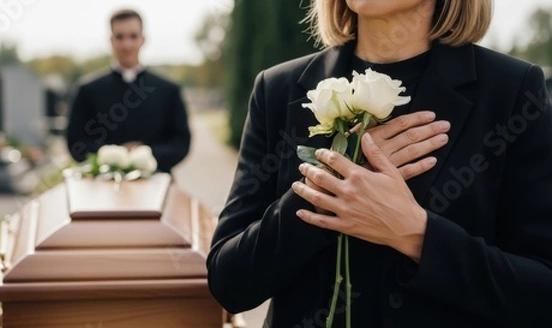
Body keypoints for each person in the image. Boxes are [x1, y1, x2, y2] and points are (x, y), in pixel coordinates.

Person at [207, 0, 552, 327]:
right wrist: (328, 190)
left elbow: (541, 291)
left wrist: (417, 235)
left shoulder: (512, 91)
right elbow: (229, 282)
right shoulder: (278, 89)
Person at [66, 9, 190, 173]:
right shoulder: (87, 90)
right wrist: (115, 155)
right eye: (120, 37)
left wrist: (146, 155)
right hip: (102, 187)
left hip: (157, 183)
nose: (127, 45)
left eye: (133, 36)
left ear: (143, 39)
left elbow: (181, 142)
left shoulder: (168, 90)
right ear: (111, 40)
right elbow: (75, 142)